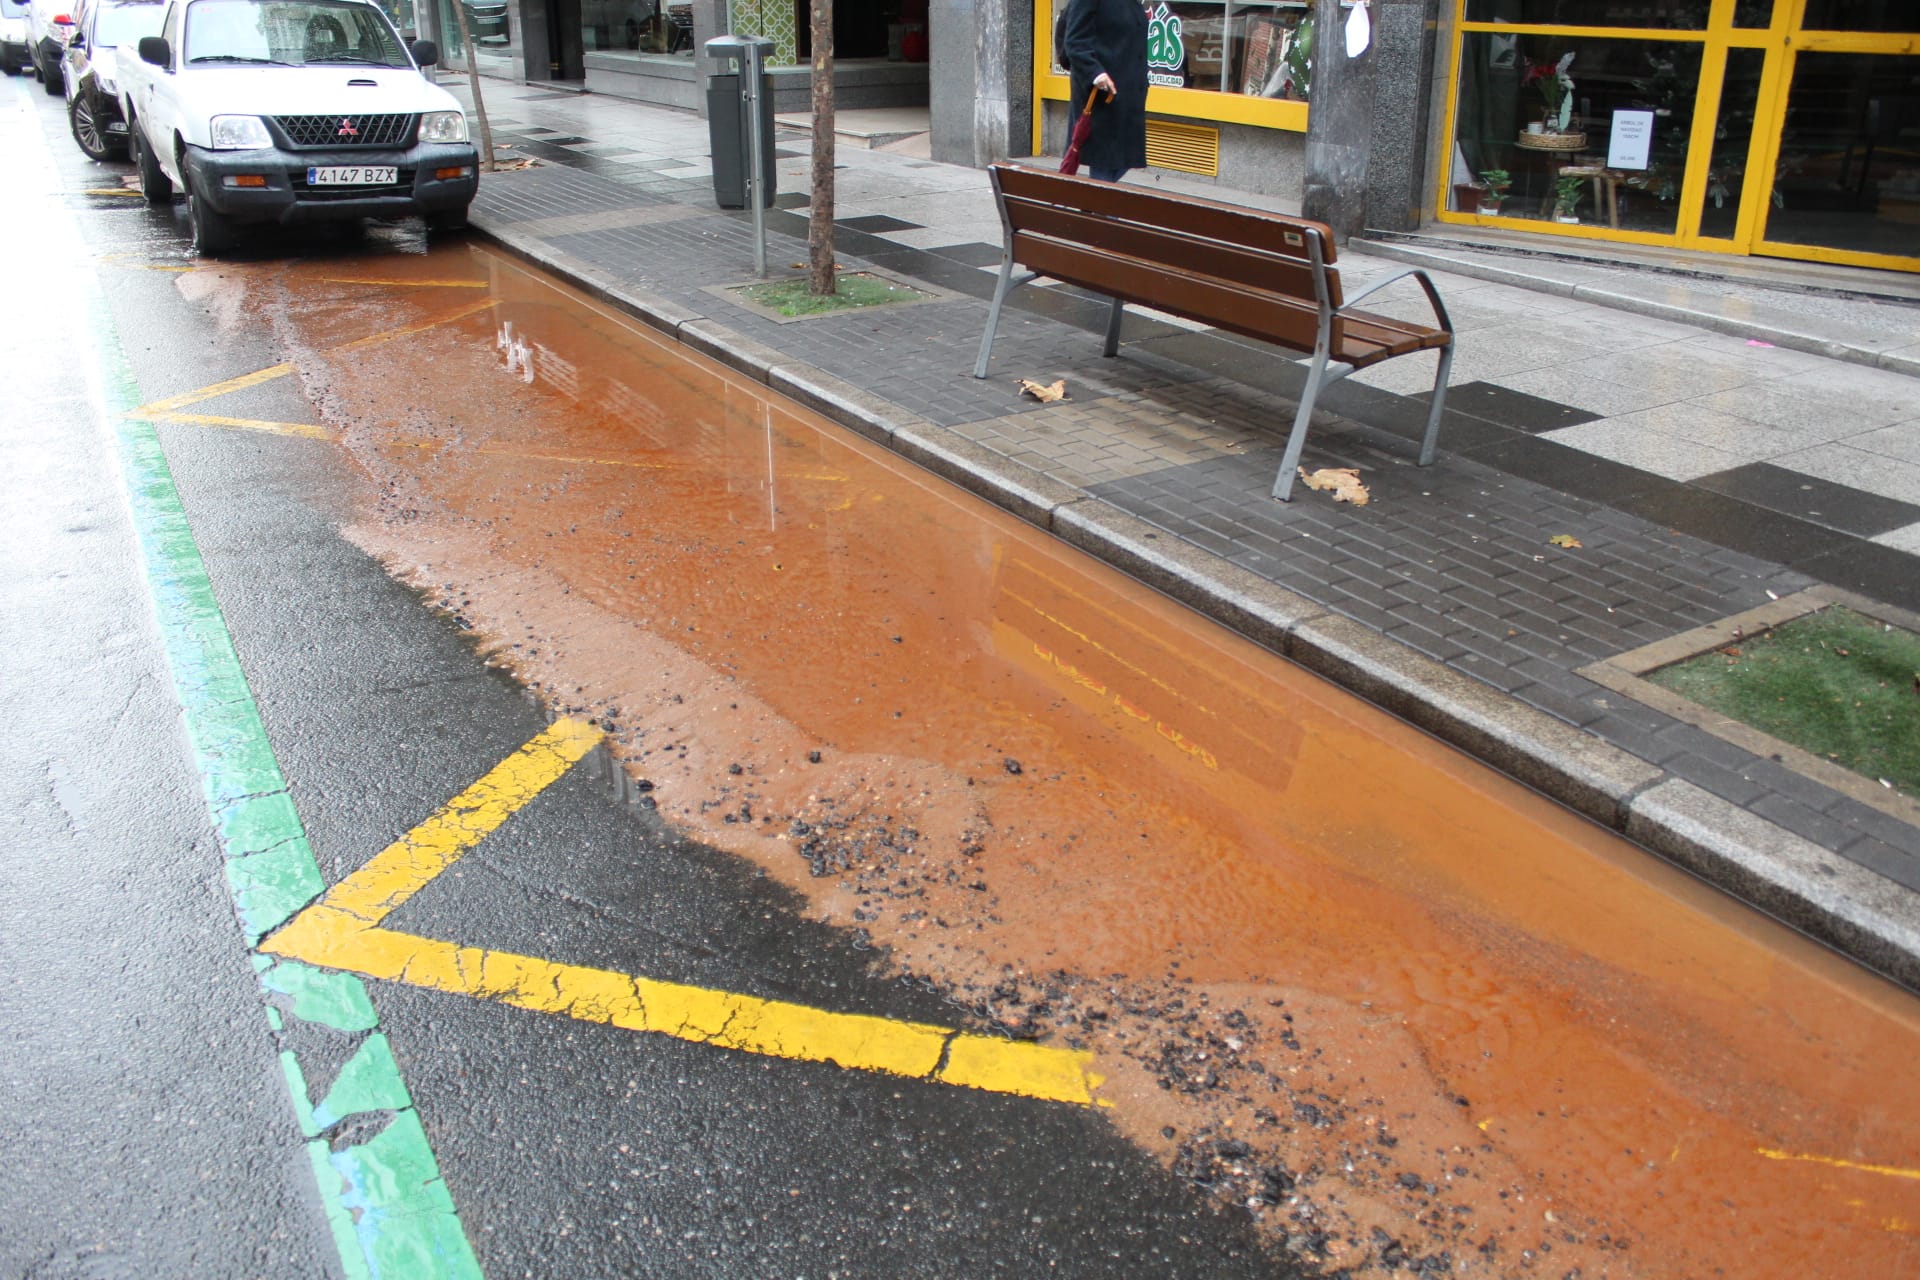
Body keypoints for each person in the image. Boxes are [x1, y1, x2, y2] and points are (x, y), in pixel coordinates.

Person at [1058, 0, 1147, 182]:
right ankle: (1097, 206)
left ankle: (1095, 205)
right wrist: (1095, 73)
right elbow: (1074, 42)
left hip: (1128, 94)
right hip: (1102, 94)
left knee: (1123, 159)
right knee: (1104, 163)